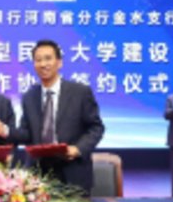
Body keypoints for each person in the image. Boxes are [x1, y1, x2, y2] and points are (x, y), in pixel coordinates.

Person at [12, 40, 104, 193]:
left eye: (48, 59)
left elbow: (96, 128)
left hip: (73, 172)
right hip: (38, 175)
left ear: (59, 62)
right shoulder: (29, 96)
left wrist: (78, 149)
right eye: (38, 60)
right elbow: (26, 133)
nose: (43, 64)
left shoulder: (80, 92)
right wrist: (5, 131)